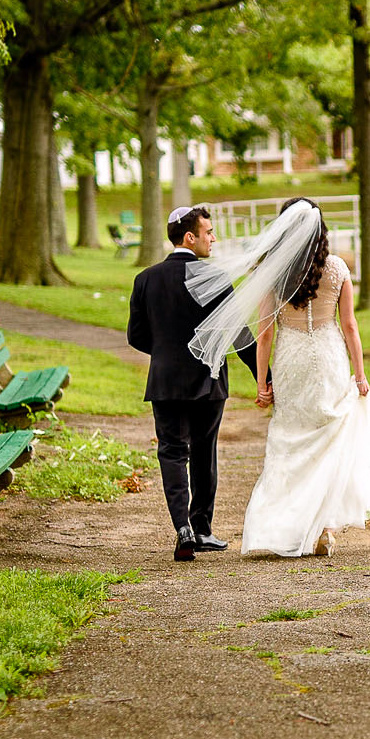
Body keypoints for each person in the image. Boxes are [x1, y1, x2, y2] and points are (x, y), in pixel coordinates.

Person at [184, 198, 370, 557]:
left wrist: (261, 382)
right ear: (321, 231)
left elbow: (265, 334)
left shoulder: (273, 271)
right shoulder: (336, 268)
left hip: (291, 360)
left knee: (291, 437)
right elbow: (349, 326)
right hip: (329, 357)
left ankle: (283, 527)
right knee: (328, 435)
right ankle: (324, 527)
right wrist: (360, 374)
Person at [126, 205, 249, 562]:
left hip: (165, 381)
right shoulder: (214, 278)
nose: (214, 239)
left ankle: (183, 528)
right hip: (208, 383)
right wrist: (266, 378)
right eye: (209, 232)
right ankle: (203, 529)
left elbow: (136, 336)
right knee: (203, 452)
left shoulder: (145, 279)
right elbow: (239, 335)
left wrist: (165, 353)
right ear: (189, 237)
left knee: (172, 452)